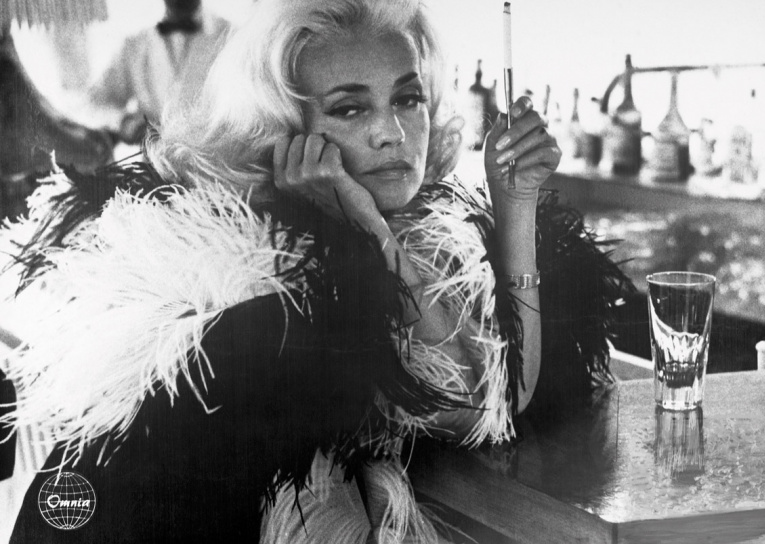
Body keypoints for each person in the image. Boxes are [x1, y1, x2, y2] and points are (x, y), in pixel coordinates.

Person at [0, 0, 633, 542]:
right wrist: (369, 231)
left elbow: (504, 394)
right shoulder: (259, 270)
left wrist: (515, 202)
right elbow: (468, 406)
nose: (392, 132)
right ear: (286, 132)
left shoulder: (426, 233)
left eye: (408, 98)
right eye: (350, 109)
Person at [87, 0, 231, 144]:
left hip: (213, 155)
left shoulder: (231, 39)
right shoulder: (135, 44)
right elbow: (95, 101)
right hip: (152, 157)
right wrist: (123, 121)